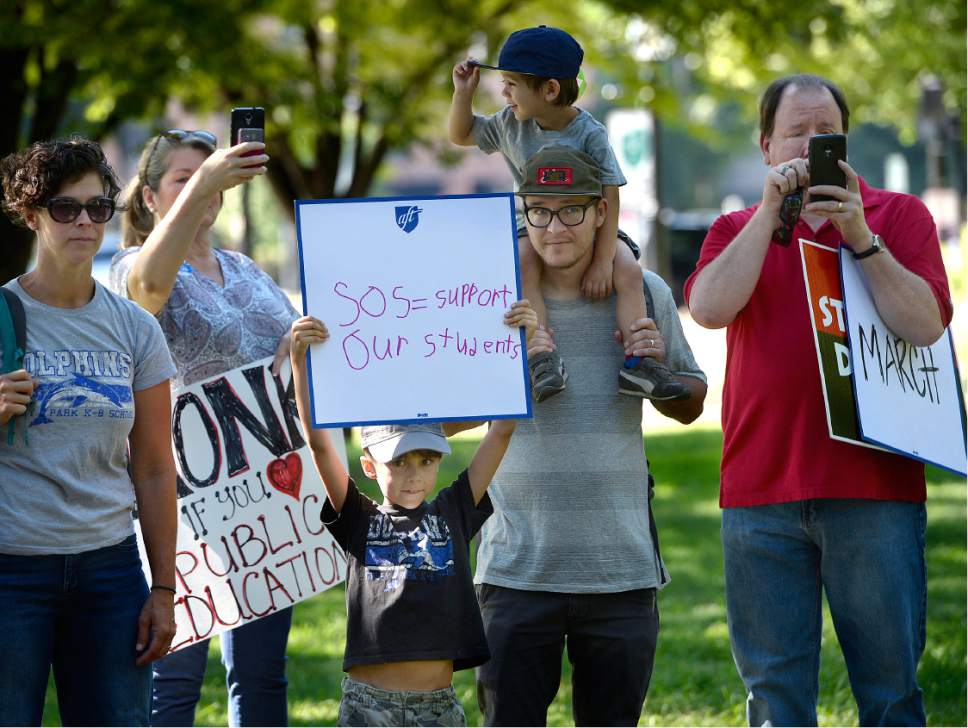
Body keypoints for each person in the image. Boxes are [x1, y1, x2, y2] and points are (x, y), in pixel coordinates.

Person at [686, 74, 953, 726]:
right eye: (796, 133)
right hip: (761, 493)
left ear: (845, 138)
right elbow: (709, 308)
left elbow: (925, 324)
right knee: (774, 699)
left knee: (890, 692)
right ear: (767, 145)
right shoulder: (733, 227)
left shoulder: (898, 217)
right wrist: (767, 216)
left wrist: (860, 236)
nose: (811, 144)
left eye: (824, 130)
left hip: (873, 488)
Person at [472, 144, 708, 726]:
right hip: (516, 570)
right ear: (523, 214)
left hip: (620, 571)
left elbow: (693, 402)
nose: (556, 228)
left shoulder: (644, 291)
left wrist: (663, 375)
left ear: (601, 214)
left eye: (573, 210)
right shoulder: (492, 302)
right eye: (541, 212)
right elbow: (448, 417)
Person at [109, 130, 298, 726]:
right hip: (182, 500)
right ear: (149, 197)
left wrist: (296, 344)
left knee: (262, 676)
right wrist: (209, 181)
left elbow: (280, 371)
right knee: (173, 680)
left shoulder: (246, 269)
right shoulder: (129, 267)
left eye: (208, 173)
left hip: (265, 493)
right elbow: (149, 291)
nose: (201, 186)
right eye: (183, 179)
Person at [288, 302, 536, 727]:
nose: (413, 475)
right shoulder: (358, 518)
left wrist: (518, 347)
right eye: (398, 462)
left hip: (438, 708)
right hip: (370, 706)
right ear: (370, 466)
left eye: (425, 461)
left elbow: (503, 429)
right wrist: (300, 363)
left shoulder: (454, 511)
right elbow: (318, 442)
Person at [0, 137, 177, 726]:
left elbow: (153, 468)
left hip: (111, 571)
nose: (84, 221)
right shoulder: (0, 317)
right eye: (65, 207)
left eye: (99, 208)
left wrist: (163, 589)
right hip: (10, 570)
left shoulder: (135, 329)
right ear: (31, 214)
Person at [449, 25, 689, 403]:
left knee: (627, 269)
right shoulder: (511, 124)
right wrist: (463, 94)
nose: (504, 92)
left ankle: (639, 362)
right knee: (524, 263)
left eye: (512, 84)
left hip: (588, 223)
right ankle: (542, 356)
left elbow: (610, 192)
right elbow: (461, 134)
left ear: (549, 90)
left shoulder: (589, 133)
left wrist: (604, 259)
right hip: (533, 224)